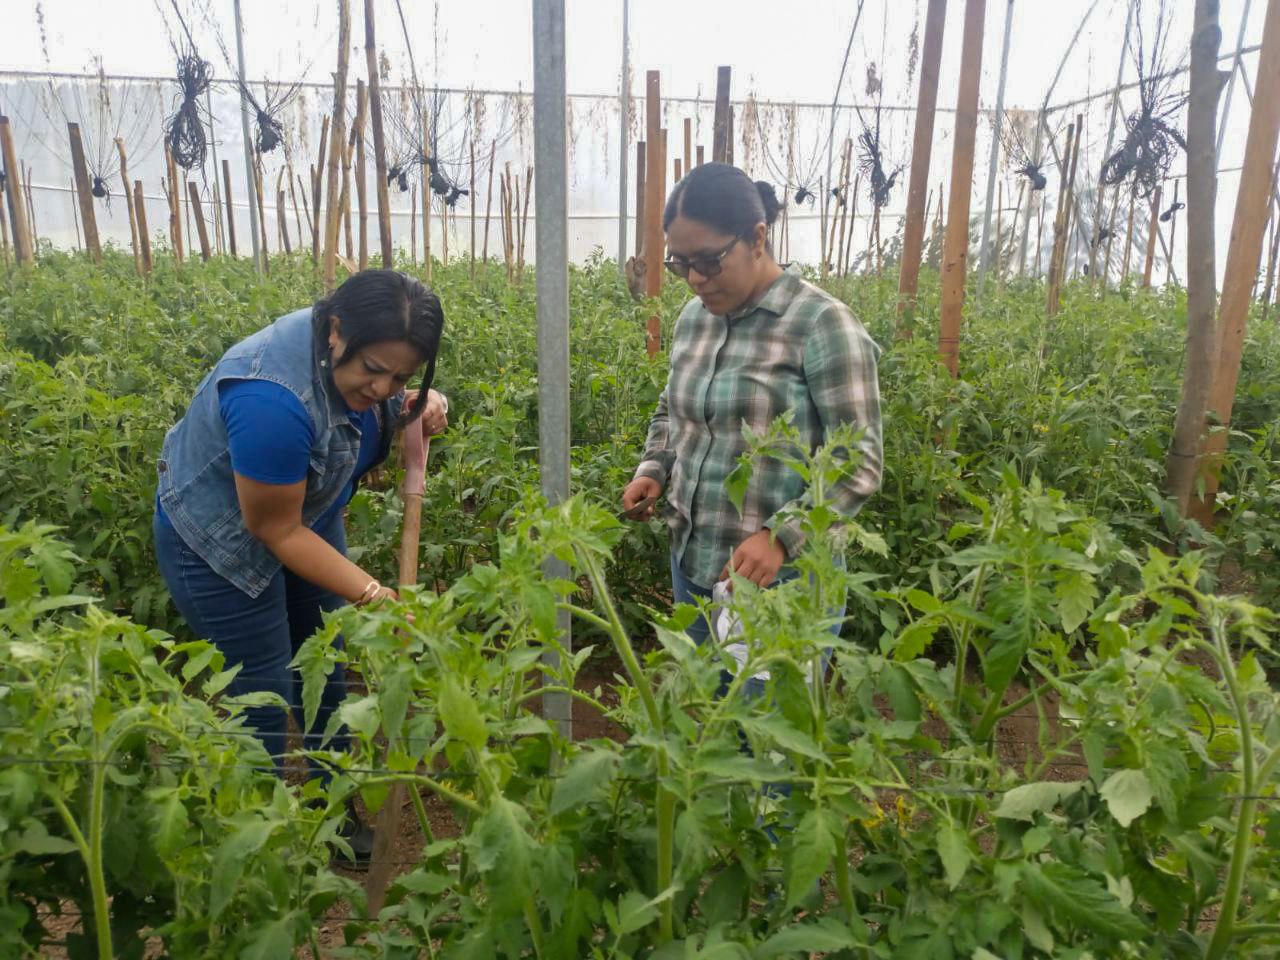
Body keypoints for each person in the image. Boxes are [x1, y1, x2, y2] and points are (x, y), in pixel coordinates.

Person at [154, 270, 448, 865]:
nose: (383, 386)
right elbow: (273, 529)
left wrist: (416, 403)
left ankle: (328, 806)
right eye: (374, 369)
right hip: (221, 544)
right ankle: (258, 839)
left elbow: (301, 518)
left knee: (323, 664)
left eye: (403, 376)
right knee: (261, 688)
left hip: (305, 516)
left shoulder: (351, 361)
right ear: (336, 331)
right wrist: (375, 593)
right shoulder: (271, 397)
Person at [621, 162, 882, 661]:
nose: (695, 278)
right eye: (681, 263)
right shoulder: (694, 319)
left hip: (783, 581)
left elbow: (860, 460)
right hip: (692, 564)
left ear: (757, 237)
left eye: (709, 260)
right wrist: (655, 468)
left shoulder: (822, 324)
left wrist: (780, 538)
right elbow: (671, 410)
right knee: (703, 720)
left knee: (765, 733)